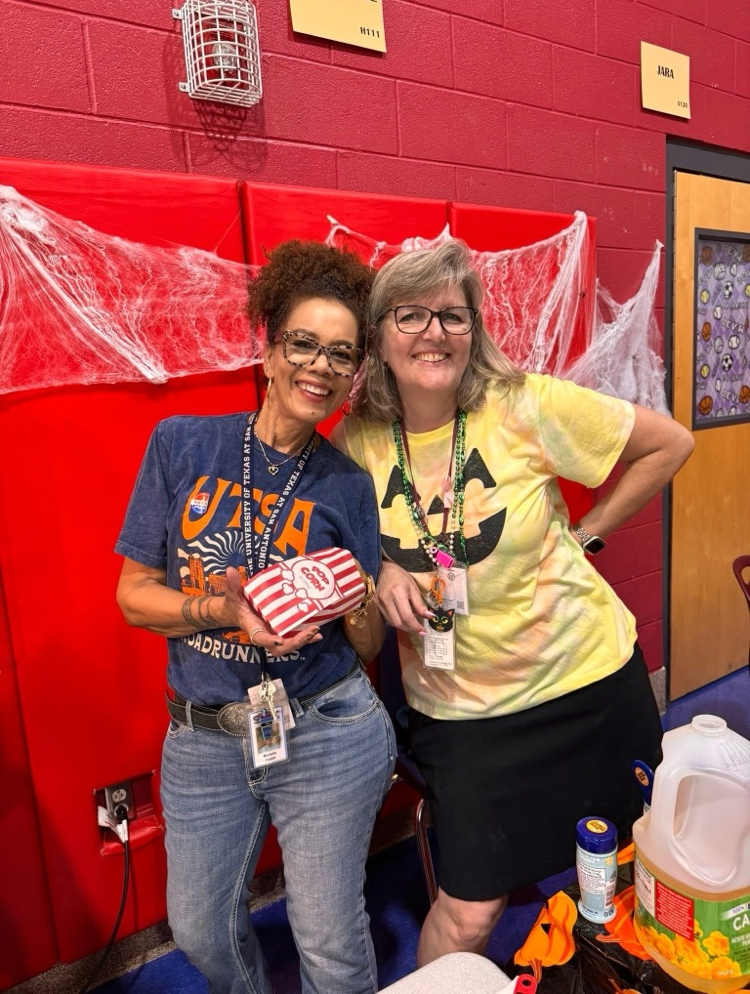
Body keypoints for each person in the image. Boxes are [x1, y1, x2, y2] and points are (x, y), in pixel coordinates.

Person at [333, 239, 694, 968]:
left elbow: (671, 444)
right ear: (378, 334)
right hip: (465, 712)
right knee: (468, 915)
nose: (434, 332)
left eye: (453, 316)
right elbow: (336, 534)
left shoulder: (524, 403)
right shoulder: (356, 442)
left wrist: (587, 535)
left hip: (587, 679)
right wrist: (377, 568)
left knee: (633, 865)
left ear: (475, 331)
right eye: (410, 315)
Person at [115, 240, 396, 994]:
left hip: (328, 725)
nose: (320, 367)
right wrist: (221, 610)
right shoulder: (183, 444)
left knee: (330, 944)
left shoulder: (347, 486)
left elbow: (366, 645)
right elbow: (133, 594)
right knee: (200, 927)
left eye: (342, 354)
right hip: (204, 736)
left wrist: (358, 596)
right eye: (303, 343)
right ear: (268, 346)